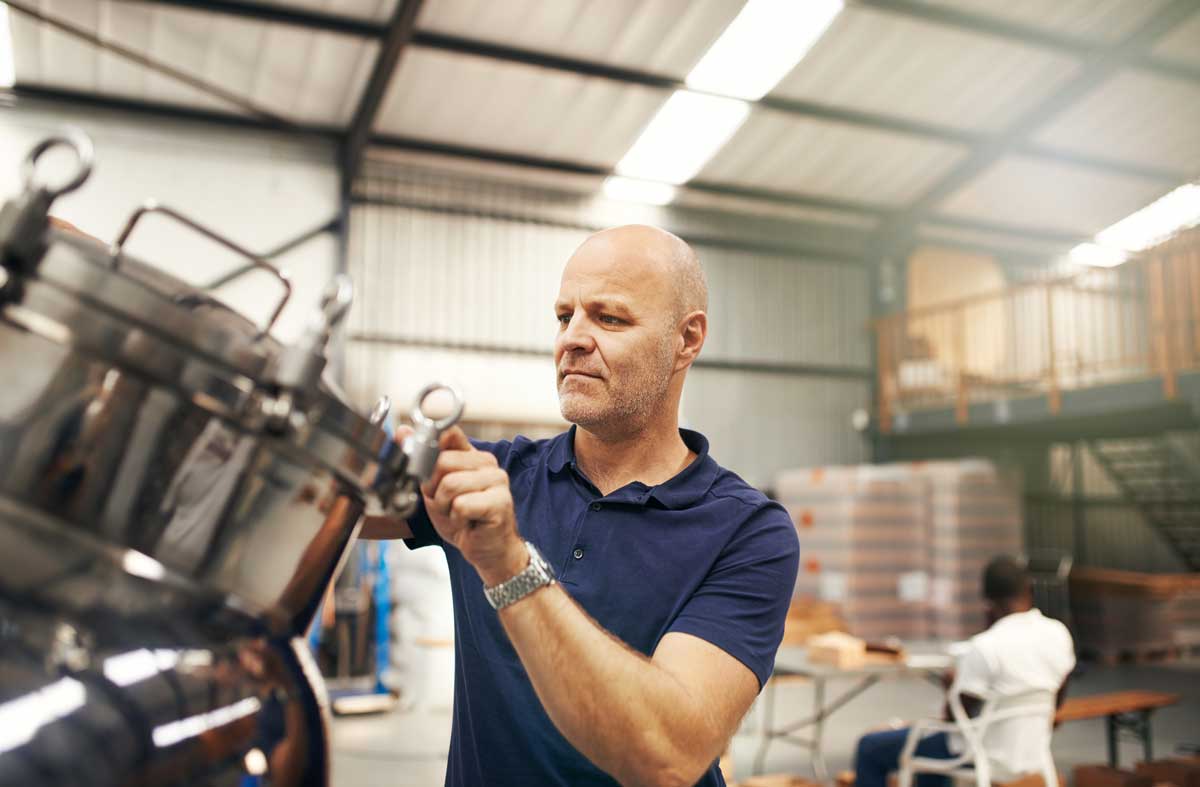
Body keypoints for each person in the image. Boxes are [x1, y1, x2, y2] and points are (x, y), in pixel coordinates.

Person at [362, 224, 800, 786]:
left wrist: (508, 564)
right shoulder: (491, 475)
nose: (572, 337)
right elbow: (324, 499)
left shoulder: (747, 532)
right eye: (564, 316)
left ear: (686, 340)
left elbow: (667, 755)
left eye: (609, 318)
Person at [853, 556, 1076, 787]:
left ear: (987, 603)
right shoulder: (1058, 634)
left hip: (978, 753)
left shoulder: (985, 646)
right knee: (930, 752)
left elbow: (955, 716)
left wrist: (951, 683)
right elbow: (1057, 699)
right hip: (1031, 749)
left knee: (870, 747)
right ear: (1029, 591)